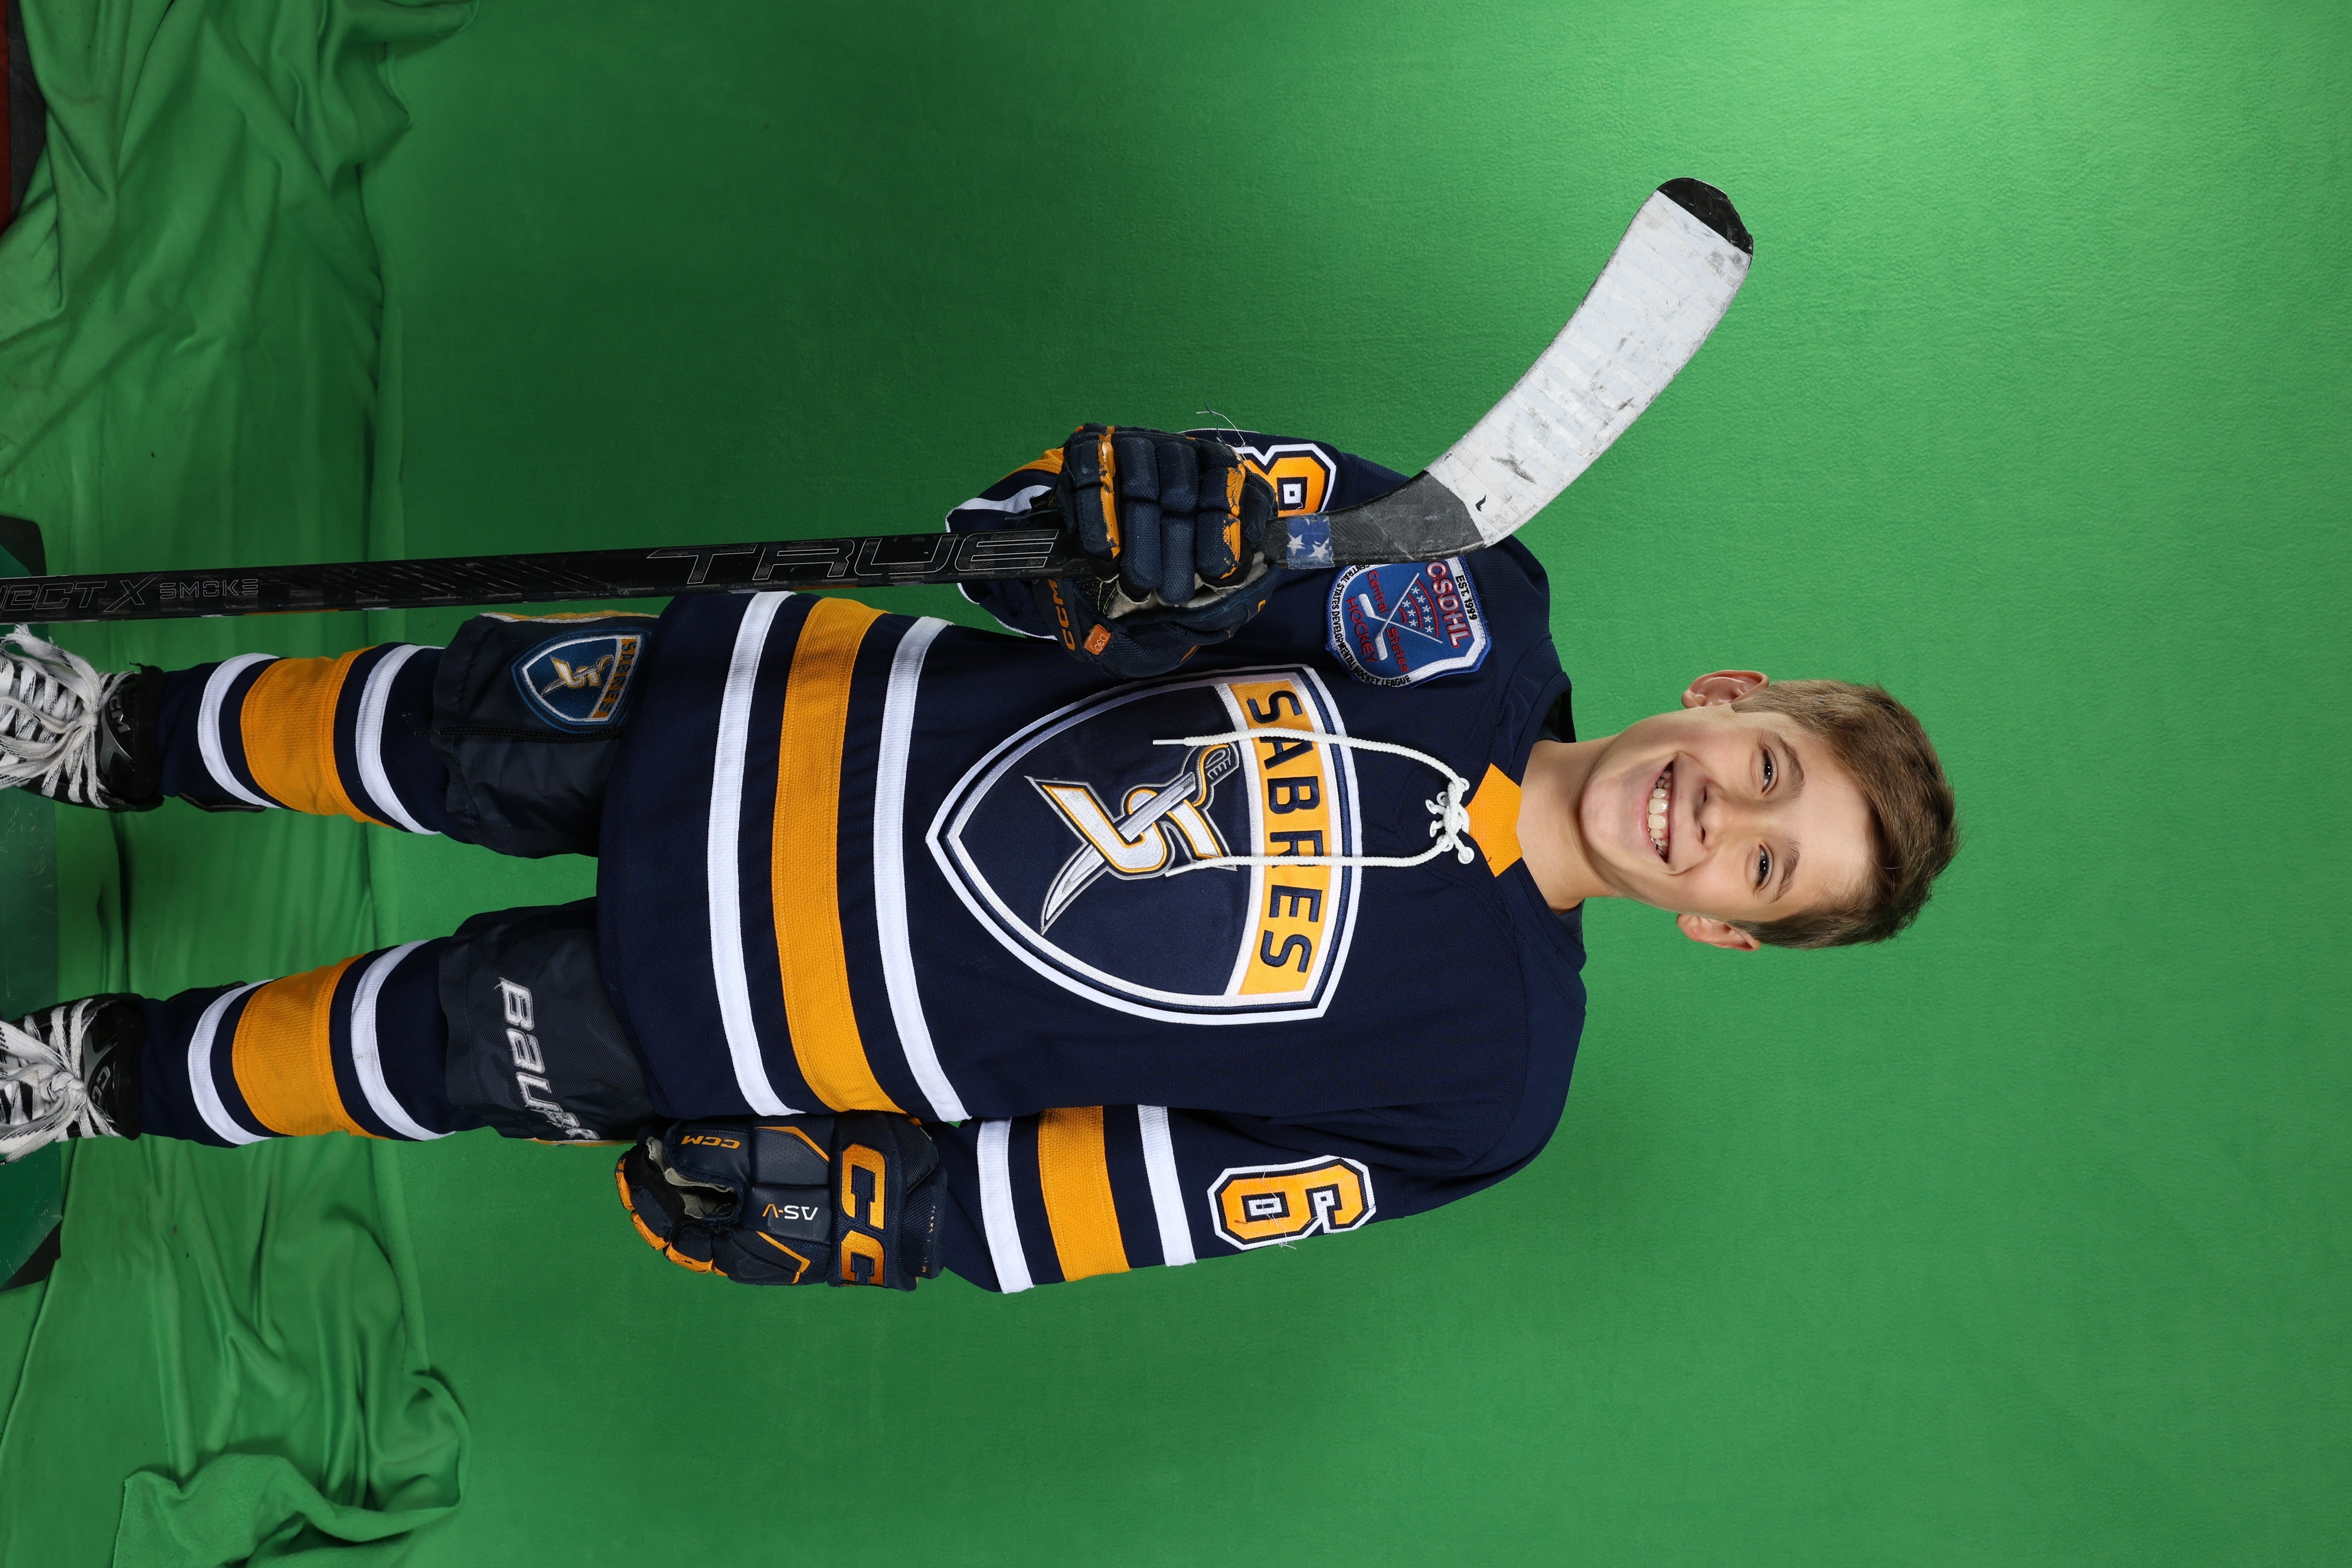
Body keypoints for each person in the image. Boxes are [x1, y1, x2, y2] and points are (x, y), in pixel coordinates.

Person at [0, 426, 1956, 1292]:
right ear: (1728, 693)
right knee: (427, 726)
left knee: (408, 1050)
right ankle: (95, 733)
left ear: (1726, 934)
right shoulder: (1462, 603)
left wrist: (906, 1219)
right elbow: (1060, 520)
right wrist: (1138, 517)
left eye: (1765, 868)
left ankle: (72, 1076)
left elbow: (1171, 1188)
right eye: (1766, 767)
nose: (1723, 816)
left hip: (785, 1019)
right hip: (783, 723)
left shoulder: (1493, 1082)